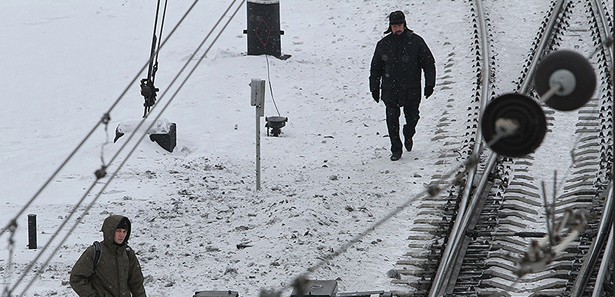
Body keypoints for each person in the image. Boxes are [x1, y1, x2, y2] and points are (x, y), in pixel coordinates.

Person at [369, 10, 436, 161]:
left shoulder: (416, 41)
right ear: (390, 27)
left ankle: (408, 133)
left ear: (404, 24)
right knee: (392, 120)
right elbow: (375, 69)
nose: (397, 28)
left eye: (399, 25)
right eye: (394, 26)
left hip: (411, 89)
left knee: (412, 117)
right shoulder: (383, 45)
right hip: (390, 90)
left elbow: (428, 63)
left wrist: (429, 83)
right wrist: (374, 87)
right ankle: (396, 149)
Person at [70, 215, 147, 297]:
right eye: (118, 231)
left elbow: (136, 283)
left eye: (124, 231)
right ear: (110, 231)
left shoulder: (128, 253)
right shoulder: (95, 252)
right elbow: (76, 278)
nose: (122, 235)